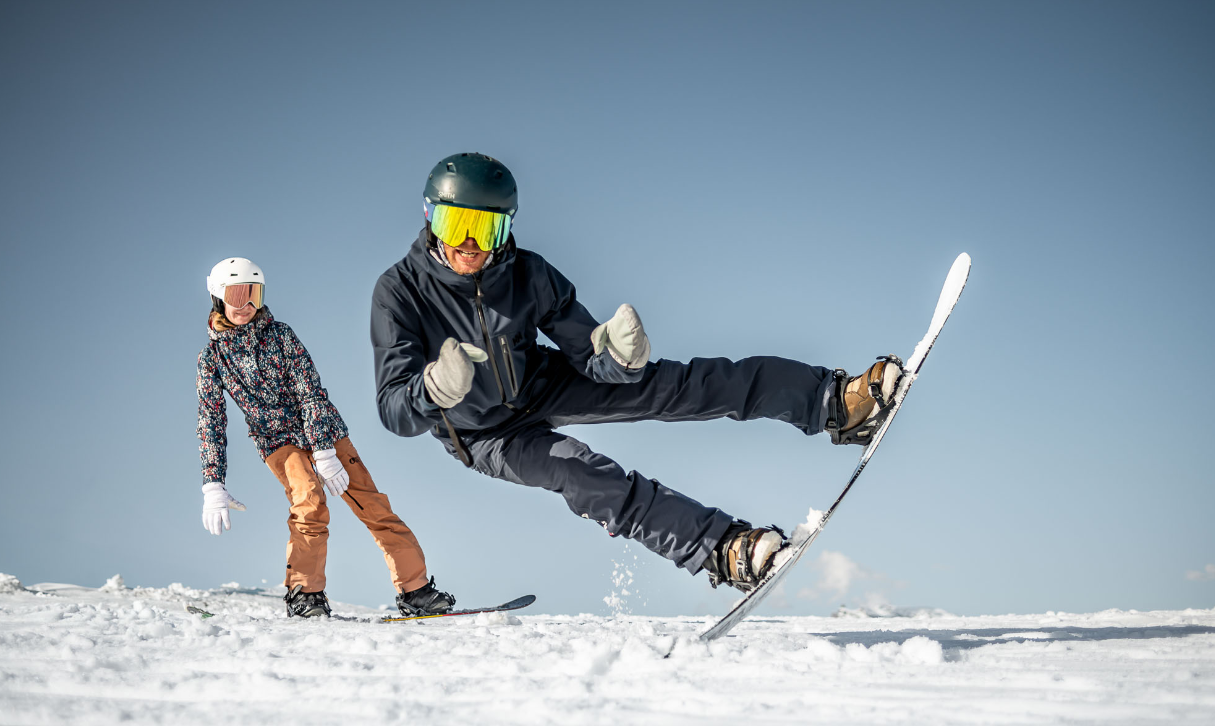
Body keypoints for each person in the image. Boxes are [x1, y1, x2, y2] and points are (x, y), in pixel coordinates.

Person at [369, 154, 901, 593]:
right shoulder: (399, 293)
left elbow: (586, 352)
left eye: (486, 227)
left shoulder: (528, 272)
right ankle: (724, 549)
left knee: (679, 385)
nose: (470, 244)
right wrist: (433, 389)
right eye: (456, 224)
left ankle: (835, 402)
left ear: (506, 227)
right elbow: (394, 408)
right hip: (482, 434)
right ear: (429, 218)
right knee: (583, 474)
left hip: (542, 382)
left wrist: (618, 360)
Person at [196, 257, 455, 617]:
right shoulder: (212, 358)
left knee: (374, 506)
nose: (246, 305)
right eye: (236, 295)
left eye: (253, 294)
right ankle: (306, 594)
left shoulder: (280, 335)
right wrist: (213, 484)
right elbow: (211, 421)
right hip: (278, 443)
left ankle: (416, 591)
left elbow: (310, 391)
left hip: (326, 433)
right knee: (310, 501)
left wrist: (324, 450)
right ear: (218, 298)